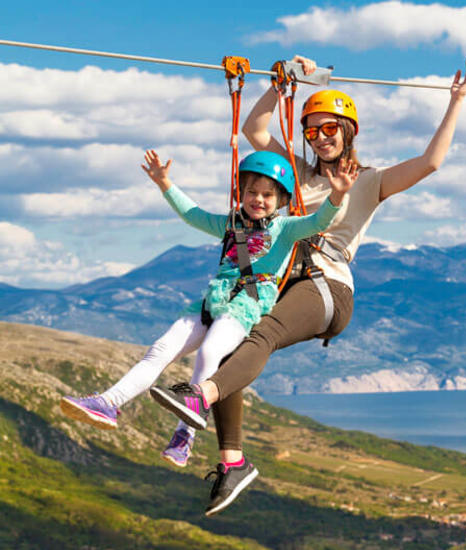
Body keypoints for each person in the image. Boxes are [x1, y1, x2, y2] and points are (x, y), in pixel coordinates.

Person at [151, 55, 466, 515]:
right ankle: (233, 462)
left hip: (328, 285)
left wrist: (457, 101)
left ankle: (200, 395)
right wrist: (283, 83)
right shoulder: (295, 175)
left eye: (330, 129)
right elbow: (254, 129)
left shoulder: (369, 182)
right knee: (230, 346)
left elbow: (430, 162)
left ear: (349, 131)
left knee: (258, 336)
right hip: (284, 282)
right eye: (312, 131)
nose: (321, 138)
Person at [61, 149, 355, 474]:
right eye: (251, 192)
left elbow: (319, 221)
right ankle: (108, 403)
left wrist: (338, 193)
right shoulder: (230, 223)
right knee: (160, 349)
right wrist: (165, 183)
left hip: (248, 302)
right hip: (214, 299)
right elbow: (192, 214)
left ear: (282, 200)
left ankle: (184, 434)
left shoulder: (285, 228)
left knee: (211, 352)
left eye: (267, 195)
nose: (258, 199)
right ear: (240, 193)